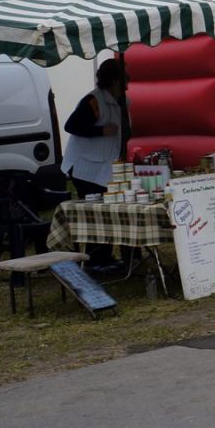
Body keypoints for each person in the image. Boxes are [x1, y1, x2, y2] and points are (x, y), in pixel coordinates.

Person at [61, 58, 132, 274]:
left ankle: (104, 257)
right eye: (125, 78)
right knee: (97, 213)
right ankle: (95, 261)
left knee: (105, 210)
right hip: (84, 168)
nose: (129, 82)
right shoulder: (93, 101)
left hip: (103, 167)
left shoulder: (120, 101)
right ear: (114, 80)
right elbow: (71, 125)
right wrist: (100, 131)